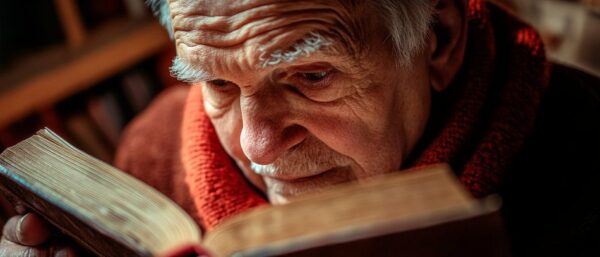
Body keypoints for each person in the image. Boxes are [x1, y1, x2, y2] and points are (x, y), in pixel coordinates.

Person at [1, 0, 599, 256]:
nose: (257, 147)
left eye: (310, 76)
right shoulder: (149, 155)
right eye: (218, 84)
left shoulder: (581, 146)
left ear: (437, 40)